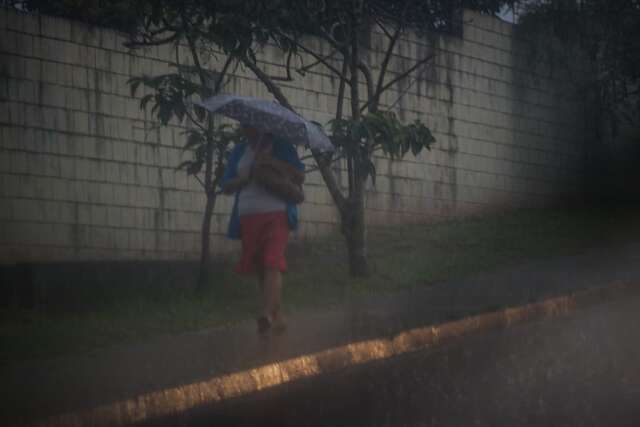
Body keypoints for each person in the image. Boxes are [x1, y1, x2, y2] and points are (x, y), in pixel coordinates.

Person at [221, 125, 305, 334]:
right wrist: (245, 177)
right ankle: (277, 316)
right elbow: (226, 185)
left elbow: (299, 175)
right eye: (245, 125)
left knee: (272, 261)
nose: (248, 129)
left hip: (277, 213)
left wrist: (271, 162)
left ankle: (266, 313)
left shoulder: (282, 146)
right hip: (248, 215)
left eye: (252, 126)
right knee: (260, 264)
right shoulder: (240, 150)